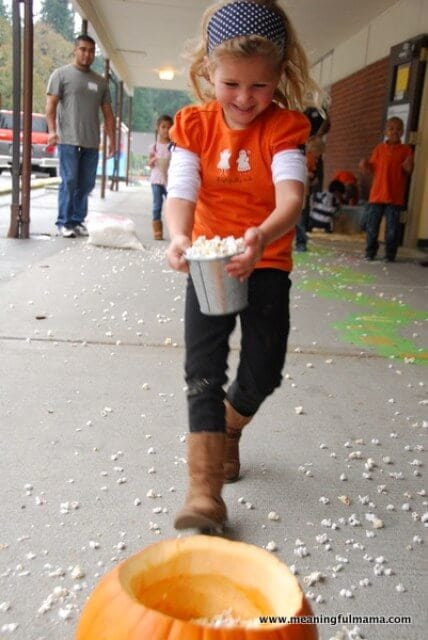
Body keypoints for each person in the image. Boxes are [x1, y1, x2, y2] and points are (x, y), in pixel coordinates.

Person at [165, 0, 316, 531]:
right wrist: (180, 235)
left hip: (266, 260)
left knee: (263, 369)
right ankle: (203, 493)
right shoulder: (194, 126)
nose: (245, 99)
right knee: (202, 371)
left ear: (278, 78)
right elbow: (181, 190)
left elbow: (290, 197)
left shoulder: (284, 128)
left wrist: (261, 236)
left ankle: (232, 425)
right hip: (208, 262)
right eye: (231, 85)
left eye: (260, 87)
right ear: (209, 72)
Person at [46, 34, 116, 238]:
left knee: (86, 183)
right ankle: (64, 222)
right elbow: (50, 106)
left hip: (92, 142)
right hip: (68, 139)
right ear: (75, 50)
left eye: (91, 51)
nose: (87, 54)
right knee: (69, 180)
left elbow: (108, 114)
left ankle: (77, 220)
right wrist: (51, 131)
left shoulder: (100, 82)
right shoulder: (61, 75)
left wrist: (111, 140)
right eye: (83, 49)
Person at [359, 116, 413, 262]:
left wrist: (408, 167)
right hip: (377, 195)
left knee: (392, 229)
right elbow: (372, 168)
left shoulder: (406, 150)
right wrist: (365, 165)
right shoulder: (379, 149)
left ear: (402, 132)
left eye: (398, 129)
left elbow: (408, 170)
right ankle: (370, 252)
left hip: (394, 196)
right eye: (391, 128)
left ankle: (390, 254)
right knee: (372, 227)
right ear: (385, 132)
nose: (394, 132)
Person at [148, 114, 173, 240]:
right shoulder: (154, 146)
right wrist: (153, 160)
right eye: (163, 127)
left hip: (170, 181)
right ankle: (157, 231)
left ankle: (175, 231)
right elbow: (149, 163)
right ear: (157, 128)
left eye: (169, 127)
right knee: (157, 206)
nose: (166, 130)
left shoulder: (174, 146)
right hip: (156, 180)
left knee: (173, 206)